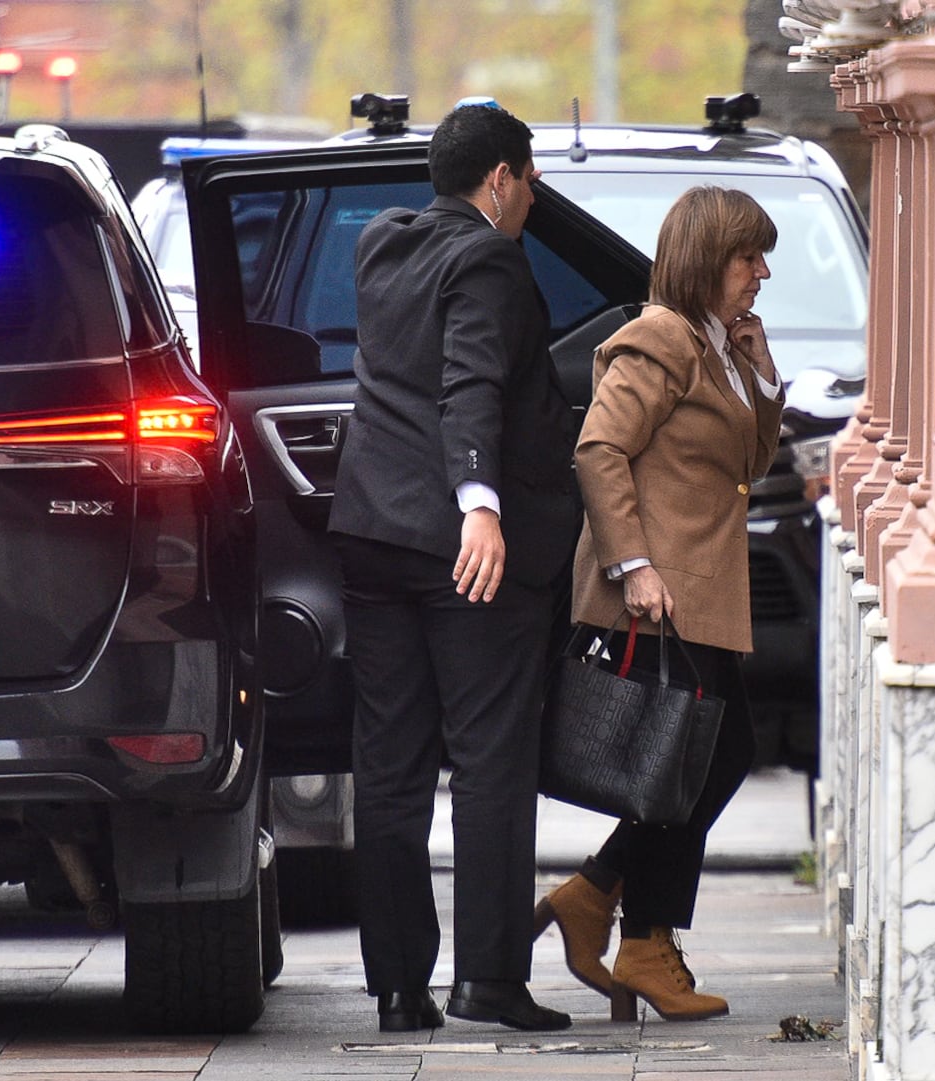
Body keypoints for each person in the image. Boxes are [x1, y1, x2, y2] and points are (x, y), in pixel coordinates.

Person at [329, 104, 579, 1034]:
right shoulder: (488, 258)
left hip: (371, 533)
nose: (535, 190)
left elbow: (420, 375)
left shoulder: (383, 247)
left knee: (388, 765)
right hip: (458, 547)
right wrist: (482, 505)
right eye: (531, 172)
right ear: (501, 180)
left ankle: (399, 988)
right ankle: (488, 980)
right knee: (488, 761)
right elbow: (466, 382)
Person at [533, 185, 782, 1022]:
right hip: (663, 591)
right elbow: (599, 446)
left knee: (711, 757)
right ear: (706, 259)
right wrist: (631, 563)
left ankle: (603, 898)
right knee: (705, 758)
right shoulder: (660, 338)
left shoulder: (718, 343)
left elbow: (750, 456)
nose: (762, 273)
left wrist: (761, 366)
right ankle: (638, 936)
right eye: (749, 257)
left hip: (704, 588)